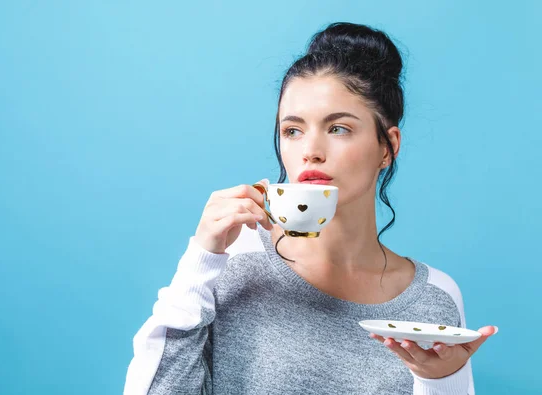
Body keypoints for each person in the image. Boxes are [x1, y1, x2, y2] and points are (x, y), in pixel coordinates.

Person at [123, 22, 497, 395]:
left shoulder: (435, 298)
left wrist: (442, 380)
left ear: (388, 147)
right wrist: (200, 258)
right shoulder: (232, 263)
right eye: (293, 131)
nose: (310, 150)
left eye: (338, 129)